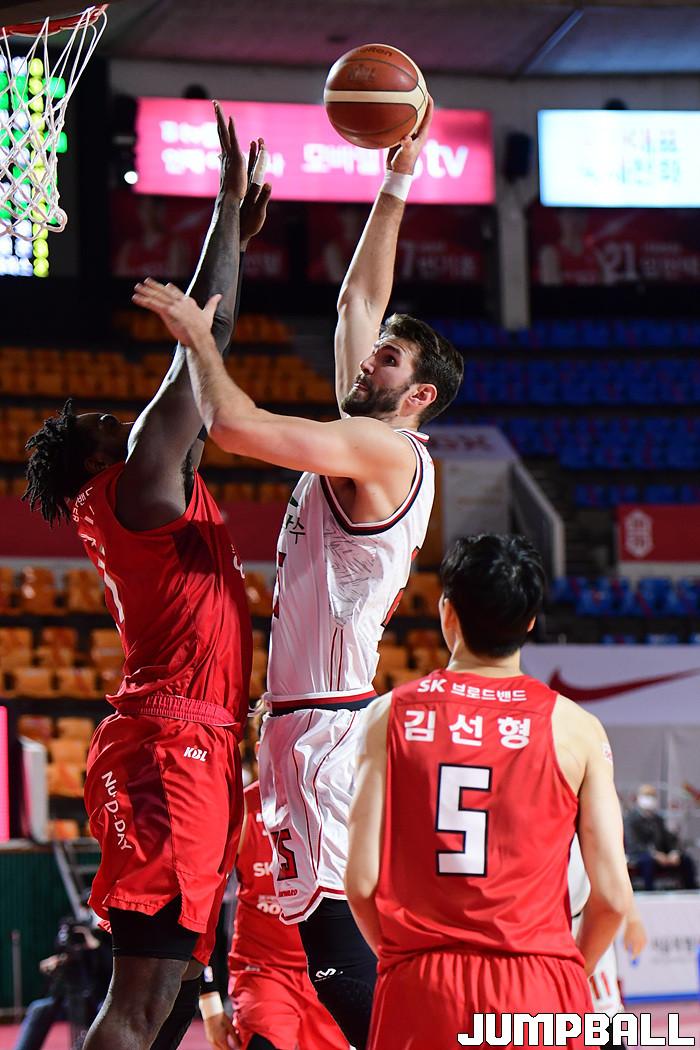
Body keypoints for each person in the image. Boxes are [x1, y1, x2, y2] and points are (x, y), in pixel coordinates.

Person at [130, 95, 464, 1050]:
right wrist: (397, 177)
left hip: (323, 727)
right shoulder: (370, 429)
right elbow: (357, 303)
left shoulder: (385, 450)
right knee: (315, 939)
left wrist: (198, 339)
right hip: (301, 720)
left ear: (419, 395)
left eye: (387, 360)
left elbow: (234, 426)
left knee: (330, 950)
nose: (367, 359)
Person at [23, 104, 271, 1050]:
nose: (122, 421)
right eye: (106, 426)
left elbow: (208, 352)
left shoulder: (156, 489)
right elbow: (194, 346)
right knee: (137, 1001)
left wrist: (235, 237)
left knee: (161, 1001)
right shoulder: (133, 485)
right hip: (169, 749)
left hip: (188, 744)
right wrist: (224, 206)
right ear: (97, 459)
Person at [345, 534, 633, 1050]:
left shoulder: (390, 716)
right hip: (538, 980)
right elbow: (612, 898)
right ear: (530, 621)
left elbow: (361, 883)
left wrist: (402, 960)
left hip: (423, 982)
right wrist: (568, 971)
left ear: (447, 611)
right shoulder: (577, 728)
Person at [200, 775, 348, 1050]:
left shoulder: (342, 797)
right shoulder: (244, 808)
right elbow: (201, 905)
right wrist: (208, 1001)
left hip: (330, 968)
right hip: (265, 969)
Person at [624, 783, 698, 890]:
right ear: (639, 798)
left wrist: (674, 852)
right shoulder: (630, 819)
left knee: (686, 860)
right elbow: (634, 844)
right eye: (646, 795)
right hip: (640, 856)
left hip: (662, 856)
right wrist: (654, 854)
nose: (649, 799)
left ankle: (690, 890)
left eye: (652, 796)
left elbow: (669, 839)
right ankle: (649, 892)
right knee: (648, 861)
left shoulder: (658, 820)